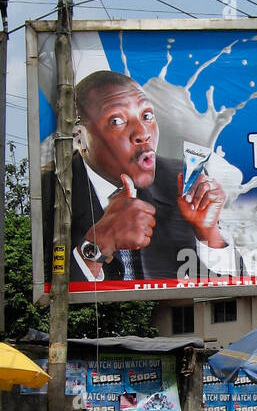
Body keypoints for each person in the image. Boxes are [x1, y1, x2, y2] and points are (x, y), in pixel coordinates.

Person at [70, 70, 235, 282]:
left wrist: (209, 234)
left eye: (146, 116)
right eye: (117, 121)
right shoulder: (51, 190)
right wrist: (98, 242)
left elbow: (237, 292)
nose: (143, 133)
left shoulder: (180, 181)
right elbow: (43, 291)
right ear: (80, 139)